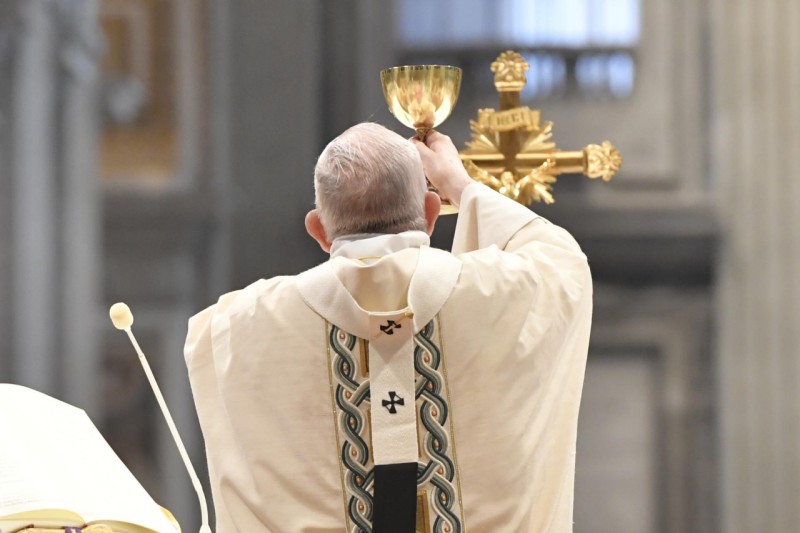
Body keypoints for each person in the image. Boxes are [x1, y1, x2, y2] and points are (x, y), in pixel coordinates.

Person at [183, 122, 592, 532]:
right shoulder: (503, 290)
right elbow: (563, 262)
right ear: (431, 214)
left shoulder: (235, 328)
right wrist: (461, 185)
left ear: (318, 229)